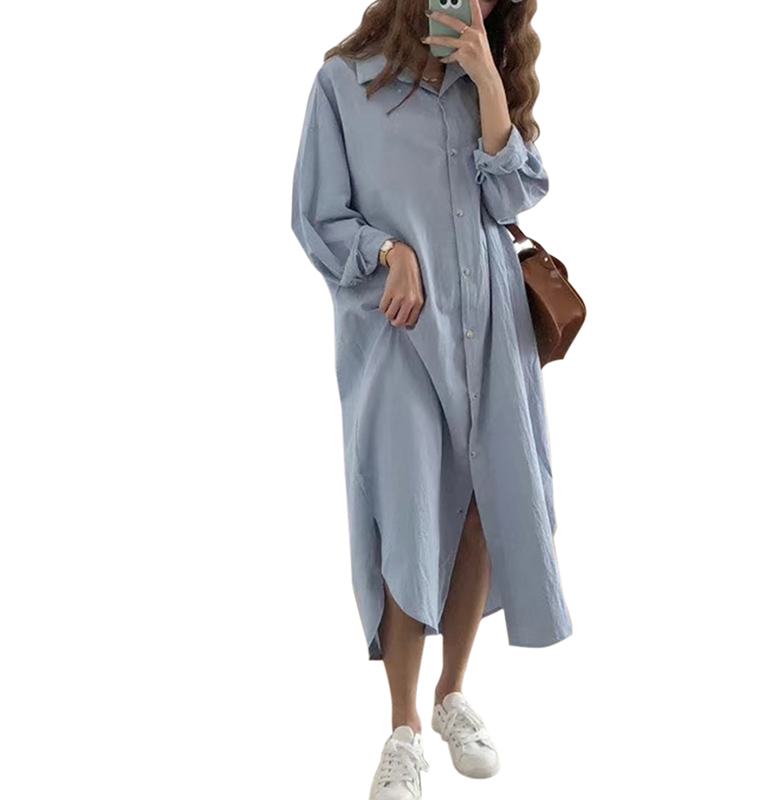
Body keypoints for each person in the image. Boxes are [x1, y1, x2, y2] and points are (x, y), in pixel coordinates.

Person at [290, 0, 571, 796]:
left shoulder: (490, 77)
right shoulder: (344, 83)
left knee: (484, 498)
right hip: (400, 327)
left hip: (491, 323)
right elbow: (316, 216)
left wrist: (489, 85)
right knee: (405, 505)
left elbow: (512, 199)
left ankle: (452, 694)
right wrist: (388, 250)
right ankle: (403, 727)